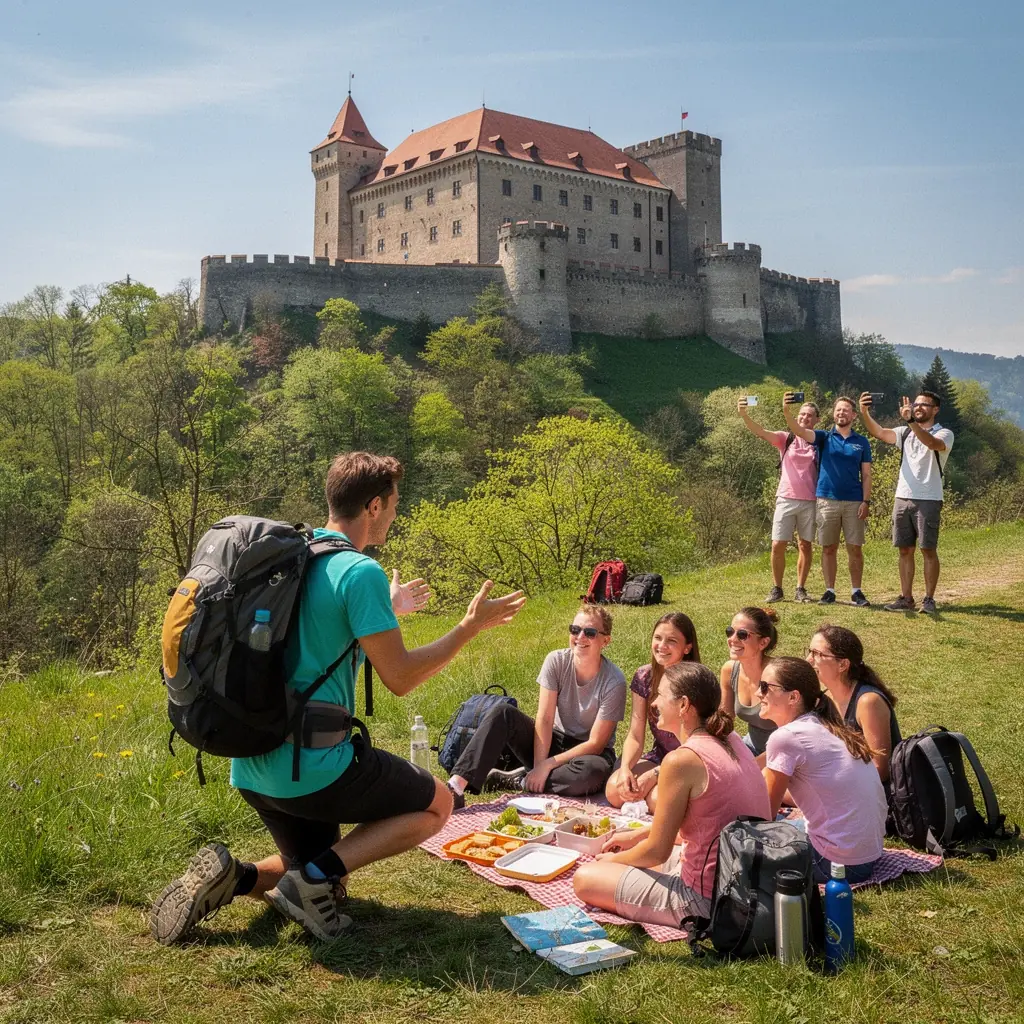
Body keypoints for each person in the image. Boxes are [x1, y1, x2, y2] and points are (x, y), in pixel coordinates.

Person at [150, 452, 525, 944]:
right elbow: (402, 677)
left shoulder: (293, 557)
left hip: (253, 763)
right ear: (373, 506)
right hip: (313, 767)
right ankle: (310, 882)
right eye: (392, 505)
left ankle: (232, 875)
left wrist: (387, 609)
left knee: (316, 869)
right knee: (438, 804)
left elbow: (314, 634)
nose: (395, 514)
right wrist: (468, 627)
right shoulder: (358, 570)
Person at [573, 662, 770, 929]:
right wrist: (635, 836)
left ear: (684, 705)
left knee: (586, 877)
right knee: (637, 859)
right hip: (743, 879)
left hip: (704, 899)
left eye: (662, 695)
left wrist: (613, 860)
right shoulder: (730, 738)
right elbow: (707, 826)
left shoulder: (682, 761)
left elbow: (657, 851)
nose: (654, 703)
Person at [446, 605, 626, 804]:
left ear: (605, 641)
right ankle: (456, 786)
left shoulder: (614, 681)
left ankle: (521, 780)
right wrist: (540, 765)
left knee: (592, 774)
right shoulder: (556, 661)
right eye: (575, 630)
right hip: (554, 740)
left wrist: (547, 765)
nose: (580, 637)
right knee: (503, 713)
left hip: (589, 754)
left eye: (589, 633)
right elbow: (545, 718)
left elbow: (596, 743)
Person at [758, 657, 887, 883]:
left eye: (766, 687)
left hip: (836, 864)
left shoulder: (786, 738)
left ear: (793, 697)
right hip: (867, 856)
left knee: (732, 841)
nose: (759, 693)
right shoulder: (826, 726)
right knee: (788, 824)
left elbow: (763, 816)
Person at [858, 390, 954, 613]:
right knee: (904, 550)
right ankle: (906, 598)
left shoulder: (944, 433)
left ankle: (929, 599)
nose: (918, 407)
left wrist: (911, 421)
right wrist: (864, 412)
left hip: (929, 498)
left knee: (928, 549)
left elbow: (931, 443)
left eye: (924, 405)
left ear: (935, 409)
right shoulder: (904, 433)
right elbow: (880, 433)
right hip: (902, 497)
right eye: (916, 404)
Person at [784, 393, 873, 606]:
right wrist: (787, 411)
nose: (841, 413)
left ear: (853, 415)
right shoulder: (823, 437)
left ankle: (856, 591)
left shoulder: (862, 442)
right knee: (828, 548)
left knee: (855, 548)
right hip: (826, 500)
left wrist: (866, 501)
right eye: (838, 410)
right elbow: (798, 430)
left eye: (845, 410)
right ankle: (829, 591)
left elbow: (867, 474)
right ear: (834, 414)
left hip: (854, 501)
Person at [605, 613, 701, 810]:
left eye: (671, 641)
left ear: (687, 648)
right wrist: (625, 768)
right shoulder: (644, 676)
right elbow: (635, 734)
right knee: (615, 791)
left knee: (658, 800)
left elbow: (696, 745)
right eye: (658, 638)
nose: (662, 646)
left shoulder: (695, 681)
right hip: (660, 755)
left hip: (690, 760)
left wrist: (656, 775)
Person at [738, 395, 821, 603]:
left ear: (817, 420)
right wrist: (744, 414)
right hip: (786, 497)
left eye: (810, 416)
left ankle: (800, 588)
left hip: (810, 500)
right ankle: (777, 588)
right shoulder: (786, 438)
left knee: (805, 545)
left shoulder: (819, 440)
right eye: (802, 414)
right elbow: (760, 432)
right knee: (777, 544)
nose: (804, 418)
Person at [806, 625, 901, 801]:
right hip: (841, 784)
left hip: (871, 796)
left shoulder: (868, 702)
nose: (808, 659)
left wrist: (829, 789)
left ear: (843, 664)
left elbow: (880, 769)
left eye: (817, 654)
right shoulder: (824, 698)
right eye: (809, 651)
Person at [718, 606, 779, 758]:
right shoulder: (729, 670)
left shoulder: (778, 675)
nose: (732, 639)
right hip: (750, 747)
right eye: (730, 631)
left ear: (763, 643)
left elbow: (794, 735)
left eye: (742, 635)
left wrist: (750, 766)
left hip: (782, 753)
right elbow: (725, 721)